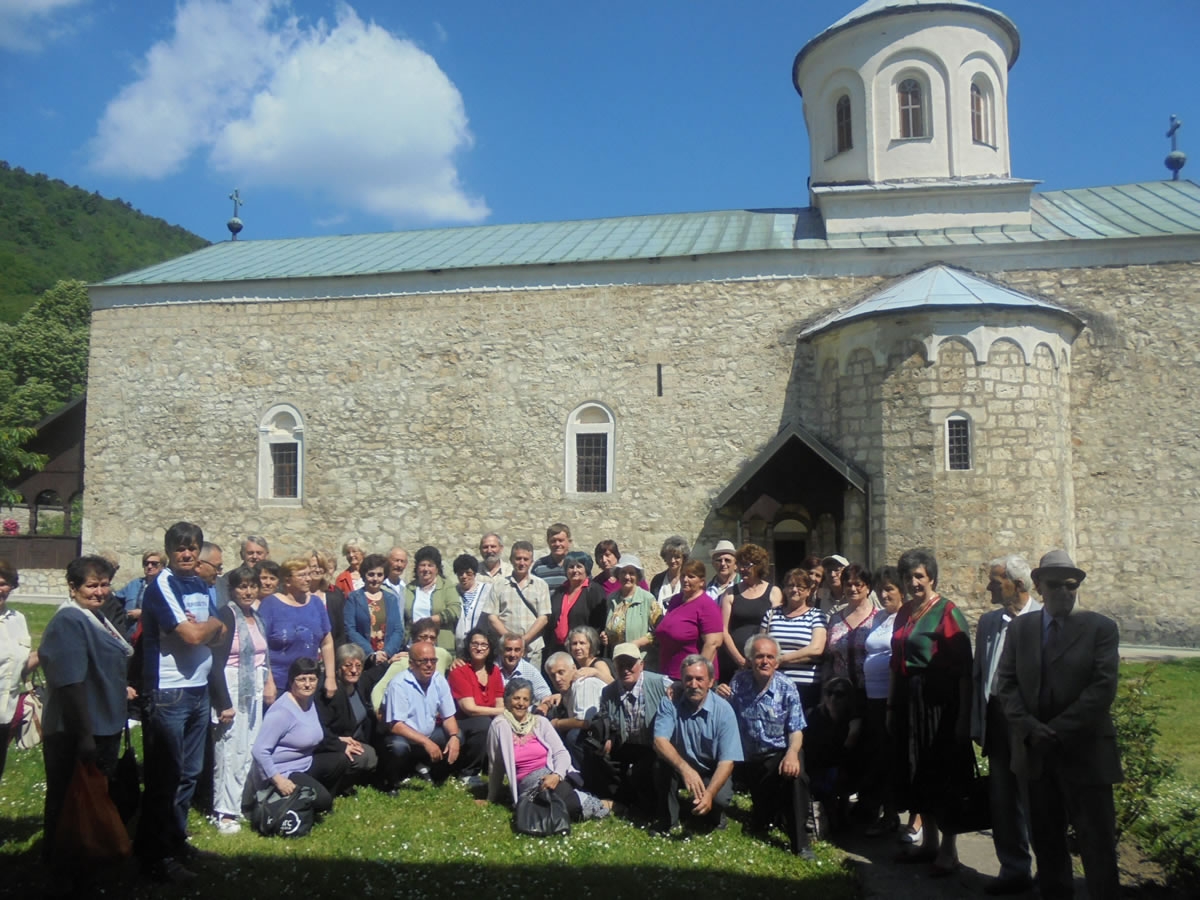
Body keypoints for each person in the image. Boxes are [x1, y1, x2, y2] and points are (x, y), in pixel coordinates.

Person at [997, 550, 1122, 900]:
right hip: (1035, 756)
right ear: (1038, 586)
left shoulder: (1100, 628)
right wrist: (1030, 727)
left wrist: (1058, 729)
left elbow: (1101, 689)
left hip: (1086, 753)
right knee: (1047, 843)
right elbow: (1005, 684)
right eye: (1056, 586)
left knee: (1097, 846)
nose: (1065, 592)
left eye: (1072, 585)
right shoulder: (1021, 629)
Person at [136, 522, 227, 883]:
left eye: (192, 548)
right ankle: (153, 857)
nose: (187, 554)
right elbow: (194, 635)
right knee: (164, 777)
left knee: (189, 774)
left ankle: (176, 842)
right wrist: (209, 627)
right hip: (169, 693)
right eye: (180, 548)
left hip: (198, 688)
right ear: (169, 551)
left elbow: (220, 636)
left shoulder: (202, 585)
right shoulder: (162, 585)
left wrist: (209, 629)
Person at [38, 556, 133, 885]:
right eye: (91, 585)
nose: (100, 591)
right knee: (68, 798)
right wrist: (84, 735)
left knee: (90, 795)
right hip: (75, 728)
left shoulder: (94, 617)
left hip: (101, 722)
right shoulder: (69, 621)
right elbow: (70, 681)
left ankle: (89, 854)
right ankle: (63, 866)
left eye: (105, 584)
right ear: (73, 587)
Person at [888, 548, 973, 875]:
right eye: (908, 577)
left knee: (942, 773)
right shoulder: (906, 611)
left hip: (939, 704)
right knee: (917, 771)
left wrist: (964, 718)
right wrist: (892, 706)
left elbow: (965, 670)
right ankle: (930, 844)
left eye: (919, 576)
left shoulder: (948, 612)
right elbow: (896, 662)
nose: (913, 582)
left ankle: (949, 852)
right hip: (909, 701)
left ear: (932, 577)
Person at [972, 553, 1040, 895]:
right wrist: (976, 723)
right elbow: (979, 676)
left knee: (1036, 799)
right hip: (998, 719)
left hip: (1031, 724)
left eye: (995, 582)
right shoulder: (989, 623)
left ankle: (1049, 869)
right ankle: (1013, 869)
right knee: (1002, 799)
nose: (988, 588)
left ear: (1019, 585)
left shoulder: (1043, 620)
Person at [720, 635, 814, 859]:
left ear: (777, 662)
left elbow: (796, 729)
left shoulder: (787, 687)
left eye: (770, 657)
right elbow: (724, 716)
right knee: (763, 818)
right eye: (759, 656)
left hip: (778, 755)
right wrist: (719, 695)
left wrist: (792, 754)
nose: (764, 661)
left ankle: (801, 843)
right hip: (747, 760)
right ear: (750, 660)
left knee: (797, 776)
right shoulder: (739, 682)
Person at [208, 565, 277, 835]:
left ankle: (240, 803)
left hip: (254, 688)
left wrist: (269, 681)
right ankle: (223, 810)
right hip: (232, 684)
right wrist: (224, 702)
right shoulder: (228, 615)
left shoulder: (256, 617)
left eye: (252, 586)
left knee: (249, 747)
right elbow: (216, 662)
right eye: (242, 587)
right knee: (229, 749)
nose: (248, 592)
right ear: (232, 589)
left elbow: (263, 657)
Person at [484, 677, 611, 821]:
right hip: (528, 785)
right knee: (550, 809)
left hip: (552, 774)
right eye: (516, 698)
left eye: (525, 699)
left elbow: (561, 753)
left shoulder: (540, 722)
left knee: (564, 805)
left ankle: (599, 803)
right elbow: (496, 765)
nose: (521, 703)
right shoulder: (499, 725)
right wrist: (491, 798)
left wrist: (556, 775)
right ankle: (598, 803)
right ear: (507, 700)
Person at [248, 657, 348, 825]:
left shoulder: (309, 702)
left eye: (312, 679)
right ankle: (302, 801)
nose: (307, 684)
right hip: (284, 771)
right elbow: (259, 750)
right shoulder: (281, 712)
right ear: (291, 681)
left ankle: (313, 801)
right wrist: (279, 781)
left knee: (341, 760)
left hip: (305, 764)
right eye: (301, 679)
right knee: (323, 801)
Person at [652, 654, 743, 833]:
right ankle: (668, 820)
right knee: (660, 765)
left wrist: (709, 794)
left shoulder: (724, 711)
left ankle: (714, 812)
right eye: (688, 679)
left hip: (711, 768)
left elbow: (728, 761)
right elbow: (659, 741)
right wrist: (685, 769)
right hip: (681, 766)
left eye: (700, 679)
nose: (694, 685)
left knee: (719, 799)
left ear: (711, 682)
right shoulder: (670, 702)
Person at [586, 642, 672, 811]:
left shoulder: (660, 683)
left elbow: (683, 690)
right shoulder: (608, 692)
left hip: (655, 746)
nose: (626, 669)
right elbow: (605, 717)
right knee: (595, 754)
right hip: (627, 744)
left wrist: (677, 686)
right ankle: (621, 799)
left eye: (630, 664)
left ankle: (652, 806)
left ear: (641, 665)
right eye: (620, 665)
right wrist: (608, 737)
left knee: (644, 771)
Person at [859, 565, 906, 836]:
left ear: (901, 591)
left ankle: (896, 815)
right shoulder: (880, 619)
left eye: (889, 588)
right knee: (877, 756)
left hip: (891, 698)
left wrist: (891, 703)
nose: (884, 594)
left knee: (891, 758)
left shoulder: (903, 618)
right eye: (881, 589)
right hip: (872, 697)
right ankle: (883, 812)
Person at [381, 640, 465, 785]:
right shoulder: (399, 684)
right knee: (398, 748)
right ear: (411, 664)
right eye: (423, 661)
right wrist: (426, 742)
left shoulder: (439, 680)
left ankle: (434, 771)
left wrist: (453, 737)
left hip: (428, 734)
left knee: (459, 735)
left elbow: (449, 716)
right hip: (403, 737)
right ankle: (393, 779)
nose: (429, 665)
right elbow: (396, 725)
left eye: (433, 660)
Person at [258, 557, 337, 702]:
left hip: (309, 683)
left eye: (308, 574)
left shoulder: (316, 603)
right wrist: (268, 682)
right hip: (279, 683)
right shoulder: (270, 605)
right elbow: (262, 647)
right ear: (287, 581)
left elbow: (327, 642)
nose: (308, 579)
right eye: (301, 575)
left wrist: (330, 677)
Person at [761, 567, 827, 711]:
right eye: (790, 585)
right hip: (774, 684)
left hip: (806, 686)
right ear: (784, 589)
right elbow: (761, 646)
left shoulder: (817, 615)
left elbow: (816, 649)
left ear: (809, 591)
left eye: (800, 587)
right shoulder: (771, 614)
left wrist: (781, 660)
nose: (794, 590)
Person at [481, 541, 552, 671]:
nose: (522, 563)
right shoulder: (499, 585)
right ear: (511, 560)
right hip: (505, 650)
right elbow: (492, 617)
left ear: (531, 561)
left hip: (532, 649)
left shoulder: (541, 585)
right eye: (518, 558)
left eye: (526, 559)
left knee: (530, 686)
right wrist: (510, 642)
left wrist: (524, 641)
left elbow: (543, 618)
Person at [718, 543, 782, 683]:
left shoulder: (773, 592)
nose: (742, 569)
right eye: (740, 564)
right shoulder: (730, 593)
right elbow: (723, 630)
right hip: (732, 662)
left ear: (758, 566)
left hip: (762, 663)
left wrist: (757, 659)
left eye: (747, 565)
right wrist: (739, 659)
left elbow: (775, 627)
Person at [445, 627, 504, 779]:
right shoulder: (459, 671)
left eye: (484, 644)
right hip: (461, 720)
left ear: (490, 648)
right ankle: (468, 773)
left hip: (485, 717)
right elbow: (469, 708)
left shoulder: (495, 671)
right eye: (475, 644)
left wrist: (502, 714)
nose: (479, 648)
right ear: (468, 645)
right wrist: (500, 712)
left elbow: (500, 702)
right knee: (484, 724)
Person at [317, 644, 378, 789]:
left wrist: (392, 660)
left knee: (371, 755)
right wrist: (339, 741)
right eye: (348, 665)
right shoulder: (330, 692)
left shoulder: (359, 685)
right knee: (365, 756)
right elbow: (319, 727)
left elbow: (377, 672)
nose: (354, 670)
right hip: (330, 744)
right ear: (337, 668)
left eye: (358, 665)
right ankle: (336, 786)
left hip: (355, 741)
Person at [369, 617, 454, 716]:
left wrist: (457, 662)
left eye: (432, 637)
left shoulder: (442, 654)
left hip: (437, 717)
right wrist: (380, 714)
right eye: (424, 637)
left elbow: (451, 663)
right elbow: (379, 689)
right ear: (414, 639)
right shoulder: (403, 661)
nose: (428, 641)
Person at [655, 559, 722, 683]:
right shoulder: (675, 600)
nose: (685, 580)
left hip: (691, 680)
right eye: (683, 575)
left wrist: (698, 675)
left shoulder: (707, 605)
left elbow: (712, 644)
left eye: (691, 576)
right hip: (668, 674)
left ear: (702, 582)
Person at [0, 559, 37, 782]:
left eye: (4, 583)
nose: (0, 589)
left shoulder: (18, 619)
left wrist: (45, 654)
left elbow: (20, 667)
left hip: (6, 714)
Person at [345, 553, 405, 668]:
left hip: (387, 659)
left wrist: (386, 653)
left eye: (379, 575)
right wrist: (372, 654)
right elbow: (350, 629)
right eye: (371, 574)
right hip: (363, 659)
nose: (375, 579)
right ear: (364, 575)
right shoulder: (353, 598)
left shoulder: (391, 599)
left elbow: (398, 630)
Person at [545, 551, 606, 660]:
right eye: (571, 567)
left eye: (579, 566)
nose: (575, 570)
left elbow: (600, 623)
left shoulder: (594, 591)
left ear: (586, 568)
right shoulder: (559, 592)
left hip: (582, 651)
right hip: (558, 649)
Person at [603, 556, 662, 665]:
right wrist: (606, 635)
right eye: (623, 572)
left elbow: (660, 631)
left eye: (631, 573)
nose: (627, 576)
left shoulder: (647, 599)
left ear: (638, 576)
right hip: (617, 660)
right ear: (618, 575)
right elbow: (611, 625)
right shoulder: (612, 599)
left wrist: (638, 643)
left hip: (640, 661)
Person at [404, 546, 461, 653]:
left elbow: (455, 609)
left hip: (439, 646)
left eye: (430, 565)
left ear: (437, 569)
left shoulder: (446, 586)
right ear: (417, 568)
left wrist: (429, 621)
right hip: (413, 646)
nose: (426, 569)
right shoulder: (409, 589)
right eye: (422, 565)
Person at [111, 550, 164, 636]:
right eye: (146, 563)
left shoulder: (165, 587)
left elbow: (167, 612)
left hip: (152, 636)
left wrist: (143, 614)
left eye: (154, 563)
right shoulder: (134, 584)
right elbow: (116, 601)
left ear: (162, 566)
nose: (149, 566)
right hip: (130, 634)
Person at [452, 553, 492, 653]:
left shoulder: (488, 590)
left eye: (468, 573)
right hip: (459, 649)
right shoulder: (453, 592)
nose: (464, 576)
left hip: (480, 649)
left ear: (474, 573)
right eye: (460, 573)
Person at [306, 550, 347, 647]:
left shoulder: (334, 593)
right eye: (314, 566)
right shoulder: (297, 593)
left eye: (321, 566)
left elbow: (341, 629)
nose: (318, 570)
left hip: (329, 650)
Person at [214, 536, 269, 608]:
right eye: (250, 553)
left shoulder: (273, 578)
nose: (255, 557)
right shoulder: (230, 578)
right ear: (242, 555)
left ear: (266, 555)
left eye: (259, 553)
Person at [496, 633, 552, 702]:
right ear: (501, 651)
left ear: (522, 653)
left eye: (517, 650)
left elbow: (546, 695)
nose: (512, 654)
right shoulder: (492, 668)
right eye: (508, 649)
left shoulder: (530, 671)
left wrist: (544, 706)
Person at [533, 523, 586, 592]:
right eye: (553, 541)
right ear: (548, 542)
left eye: (561, 540)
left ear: (569, 542)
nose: (557, 544)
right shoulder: (539, 566)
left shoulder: (580, 564)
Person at [649, 535, 689, 606]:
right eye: (670, 556)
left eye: (677, 557)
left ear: (683, 558)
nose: (672, 560)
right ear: (665, 557)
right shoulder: (657, 580)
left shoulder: (688, 579)